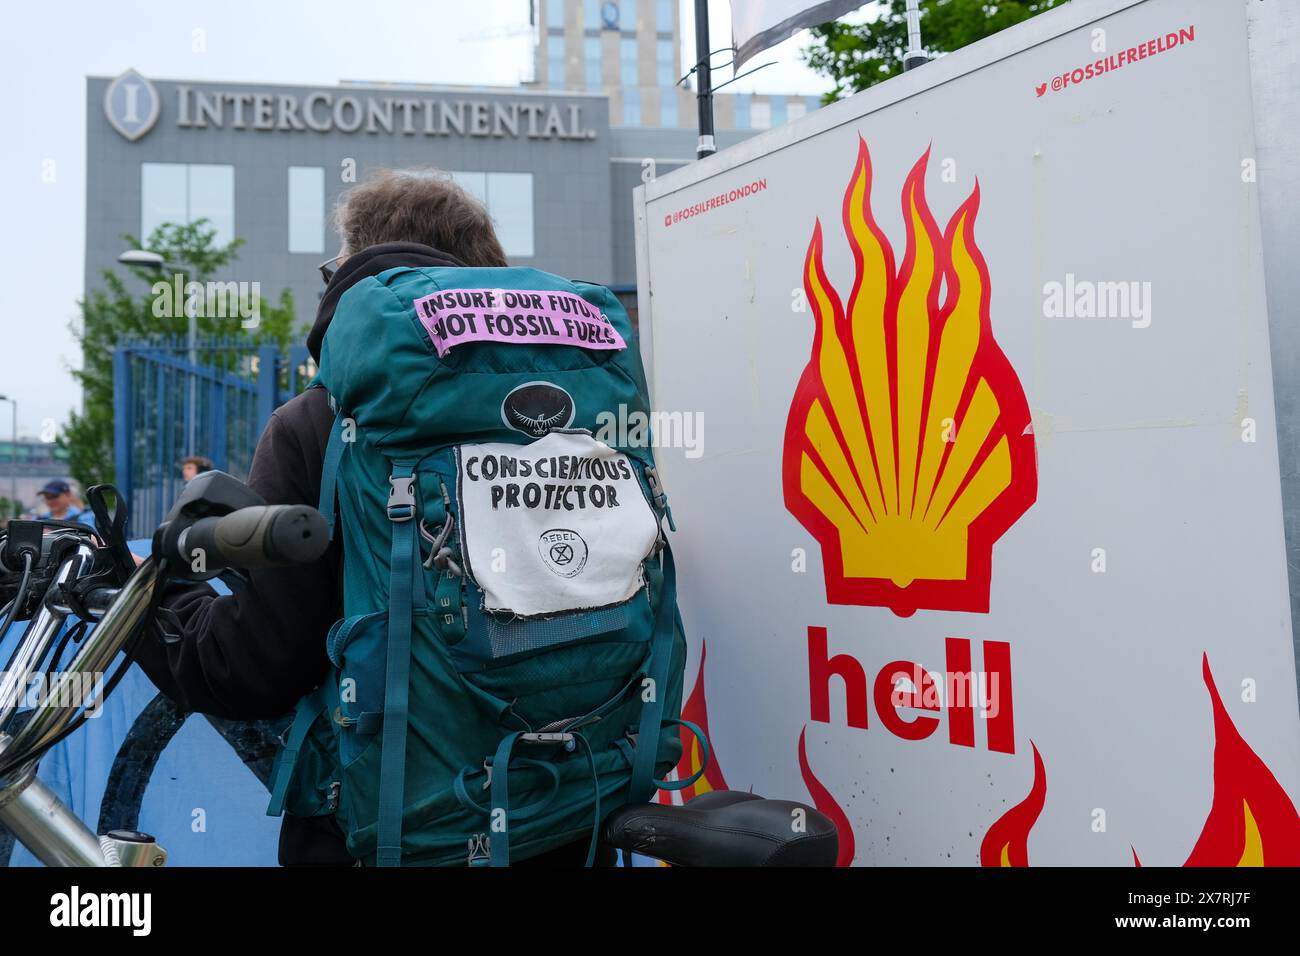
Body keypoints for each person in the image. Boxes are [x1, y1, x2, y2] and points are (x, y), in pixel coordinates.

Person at [132, 170, 606, 866]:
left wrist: (154, 594)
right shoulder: (581, 410)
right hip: (570, 809)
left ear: (360, 277)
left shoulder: (321, 421)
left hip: (391, 832)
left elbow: (253, 667)